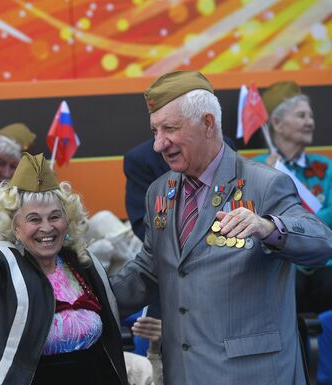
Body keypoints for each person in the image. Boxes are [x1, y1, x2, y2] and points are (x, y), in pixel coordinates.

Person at [110, 70, 332, 385]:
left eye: (170, 129)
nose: (159, 144)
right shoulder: (159, 192)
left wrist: (268, 227)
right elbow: (147, 270)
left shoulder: (264, 183)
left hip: (252, 374)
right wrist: (84, 304)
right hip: (185, 373)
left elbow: (322, 242)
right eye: (155, 131)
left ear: (208, 123)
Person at [0, 153, 128, 385]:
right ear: (15, 227)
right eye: (34, 219)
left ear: (66, 221)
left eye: (55, 217)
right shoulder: (2, 267)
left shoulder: (83, 264)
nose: (46, 228)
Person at [252, 81, 332, 314]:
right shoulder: (256, 168)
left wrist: (299, 225)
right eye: (301, 115)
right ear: (276, 123)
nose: (310, 122)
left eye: (311, 116)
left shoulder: (325, 166)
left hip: (325, 262)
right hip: (282, 263)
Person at [124, 137, 237, 241]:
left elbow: (238, 199)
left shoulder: (222, 145)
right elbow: (144, 226)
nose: (159, 144)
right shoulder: (141, 159)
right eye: (156, 130)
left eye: (172, 127)